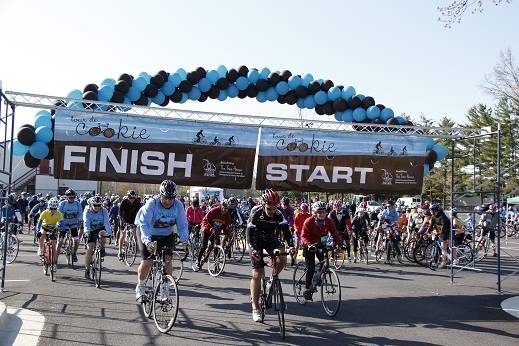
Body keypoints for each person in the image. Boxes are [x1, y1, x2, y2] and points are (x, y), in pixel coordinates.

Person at [135, 180, 188, 301]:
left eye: (171, 198)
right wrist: (147, 241)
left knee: (168, 261)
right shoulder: (151, 204)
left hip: (166, 234)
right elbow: (144, 224)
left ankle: (164, 289)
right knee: (148, 261)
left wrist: (185, 241)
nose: (168, 201)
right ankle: (141, 286)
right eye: (165, 198)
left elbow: (182, 225)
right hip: (147, 233)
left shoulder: (178, 205)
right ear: (160, 195)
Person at [246, 189, 294, 322]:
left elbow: (286, 231)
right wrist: (253, 249)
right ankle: (255, 307)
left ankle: (272, 280)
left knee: (282, 255)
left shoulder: (279, 213)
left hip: (270, 238)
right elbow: (249, 233)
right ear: (263, 204)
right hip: (255, 240)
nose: (272, 211)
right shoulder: (256, 212)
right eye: (269, 208)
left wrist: (291, 245)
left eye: (274, 208)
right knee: (257, 273)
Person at [300, 201, 341, 301]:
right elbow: (303, 236)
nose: (322, 214)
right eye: (319, 212)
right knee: (311, 267)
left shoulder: (329, 221)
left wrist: (340, 245)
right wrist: (309, 244)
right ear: (315, 213)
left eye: (324, 212)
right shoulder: (309, 221)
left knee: (324, 263)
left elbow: (335, 234)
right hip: (310, 246)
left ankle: (317, 277)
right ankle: (307, 289)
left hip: (321, 245)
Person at [193, 199, 232, 271]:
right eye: (224, 208)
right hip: (206, 229)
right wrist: (210, 228)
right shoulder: (214, 211)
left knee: (216, 247)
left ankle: (216, 266)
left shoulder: (227, 215)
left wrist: (227, 232)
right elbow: (205, 220)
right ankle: (198, 261)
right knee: (204, 246)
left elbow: (225, 226)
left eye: (227, 209)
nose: (225, 210)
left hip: (216, 231)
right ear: (221, 206)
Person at [83, 196, 112, 279]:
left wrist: (109, 233)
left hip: (100, 228)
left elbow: (106, 222)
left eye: (99, 205)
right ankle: (87, 269)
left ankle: (102, 248)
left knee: (103, 233)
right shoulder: (87, 210)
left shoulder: (104, 210)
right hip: (90, 229)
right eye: (95, 205)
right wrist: (87, 232)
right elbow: (86, 221)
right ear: (91, 205)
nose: (97, 207)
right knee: (90, 249)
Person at [36, 198, 63, 271]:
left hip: (53, 228)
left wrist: (61, 229)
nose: (53, 210)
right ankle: (41, 248)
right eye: (51, 208)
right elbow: (39, 223)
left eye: (55, 208)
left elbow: (61, 223)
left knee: (54, 246)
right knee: (42, 234)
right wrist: (38, 231)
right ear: (49, 207)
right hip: (44, 227)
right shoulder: (44, 212)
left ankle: (54, 263)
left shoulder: (59, 213)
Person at [58, 189, 83, 263]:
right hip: (64, 224)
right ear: (67, 197)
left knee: (76, 240)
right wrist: (59, 222)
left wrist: (80, 220)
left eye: (73, 197)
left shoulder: (77, 203)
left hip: (73, 224)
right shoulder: (62, 203)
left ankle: (74, 253)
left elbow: (80, 213)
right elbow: (59, 213)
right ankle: (56, 254)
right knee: (60, 241)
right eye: (70, 197)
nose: (72, 199)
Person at [117, 190, 142, 260]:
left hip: (133, 219)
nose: (132, 199)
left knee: (135, 232)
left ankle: (133, 244)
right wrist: (123, 222)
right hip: (124, 219)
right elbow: (120, 213)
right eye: (130, 198)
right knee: (123, 234)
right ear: (128, 197)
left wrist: (139, 222)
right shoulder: (123, 202)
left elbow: (140, 213)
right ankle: (120, 251)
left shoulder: (137, 203)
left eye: (133, 198)